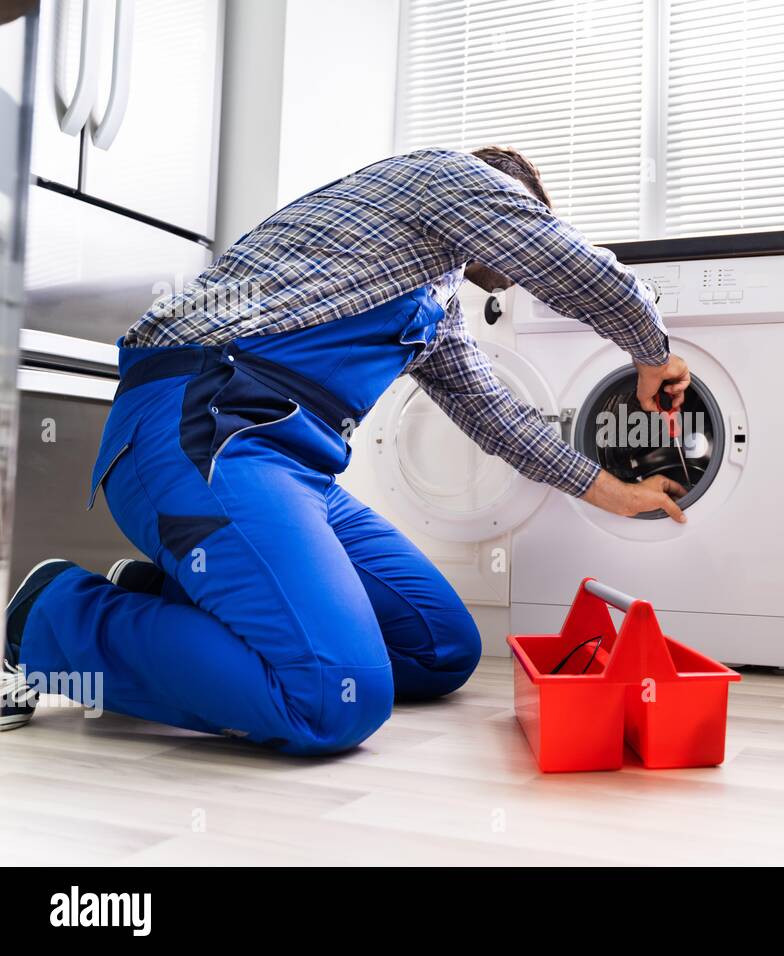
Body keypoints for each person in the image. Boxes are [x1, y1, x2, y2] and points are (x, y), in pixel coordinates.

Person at [2, 146, 691, 753]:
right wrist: (651, 348)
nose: (519, 246)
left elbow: (494, 413)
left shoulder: (430, 299)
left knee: (441, 647)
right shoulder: (447, 174)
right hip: (202, 430)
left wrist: (611, 489)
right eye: (523, 214)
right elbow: (559, 258)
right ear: (505, 194)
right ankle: (51, 616)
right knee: (333, 699)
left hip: (294, 472)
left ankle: (164, 596)